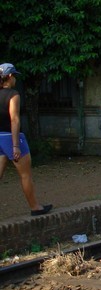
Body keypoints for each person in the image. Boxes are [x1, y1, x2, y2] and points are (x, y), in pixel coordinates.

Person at [0, 63, 52, 216]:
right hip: (13, 138)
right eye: (14, 75)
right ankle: (35, 207)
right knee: (25, 175)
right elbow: (14, 120)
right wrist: (16, 146)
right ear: (9, 76)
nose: (16, 78)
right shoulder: (13, 95)